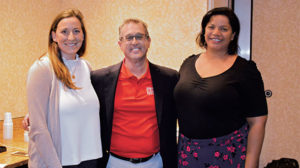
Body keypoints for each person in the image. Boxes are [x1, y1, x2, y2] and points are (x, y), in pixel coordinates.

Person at [174, 7, 268, 168]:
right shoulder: (187, 63)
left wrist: (251, 164)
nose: (216, 32)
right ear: (204, 31)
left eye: (224, 29)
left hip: (226, 155)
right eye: (211, 27)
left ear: (233, 35)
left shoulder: (245, 70)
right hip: (187, 154)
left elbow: (258, 121)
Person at [91, 18, 178, 168]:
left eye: (139, 36)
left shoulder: (169, 79)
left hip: (155, 162)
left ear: (148, 41)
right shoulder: (99, 79)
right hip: (114, 163)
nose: (134, 42)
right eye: (129, 37)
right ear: (120, 44)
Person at [26, 9, 102, 168]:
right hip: (59, 162)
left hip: (90, 159)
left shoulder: (86, 67)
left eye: (76, 31)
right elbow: (38, 129)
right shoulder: (42, 69)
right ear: (54, 36)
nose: (71, 37)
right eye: (64, 32)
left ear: (83, 35)